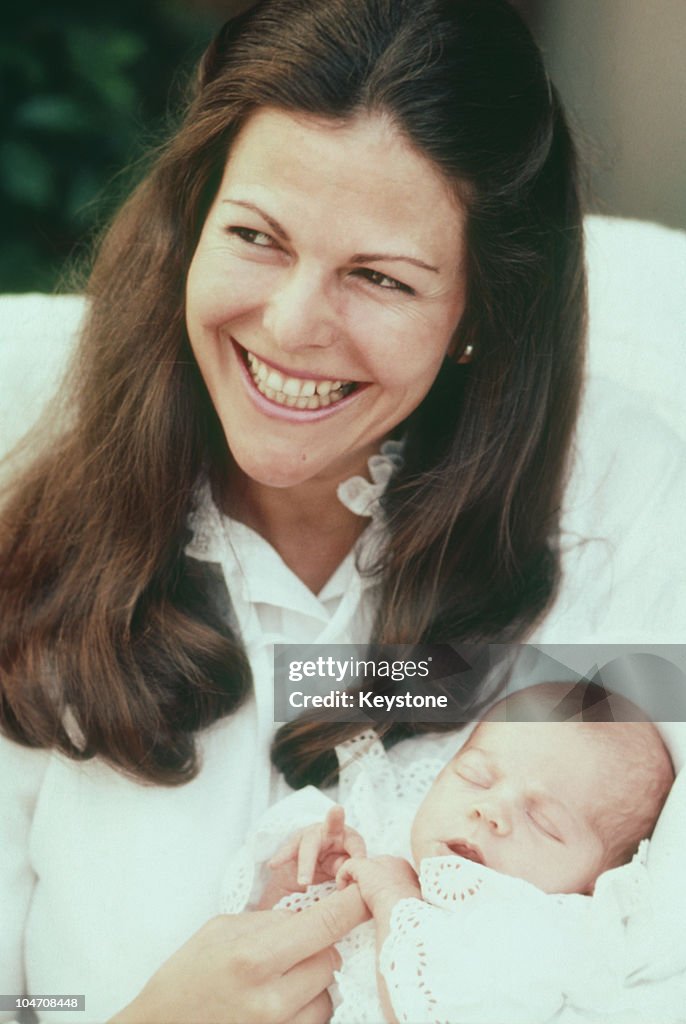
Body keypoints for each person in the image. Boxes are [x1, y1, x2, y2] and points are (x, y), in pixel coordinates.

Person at [1, 1, 684, 1022]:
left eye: (377, 277)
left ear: (479, 310)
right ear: (191, 229)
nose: (290, 326)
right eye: (255, 237)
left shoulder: (625, 505)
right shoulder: (35, 556)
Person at [222, 682, 677, 1022]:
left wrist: (395, 900)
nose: (489, 809)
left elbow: (435, 1007)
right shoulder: (386, 834)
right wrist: (295, 888)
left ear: (594, 883)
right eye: (476, 777)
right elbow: (247, 975)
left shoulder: (546, 935)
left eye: (544, 822)